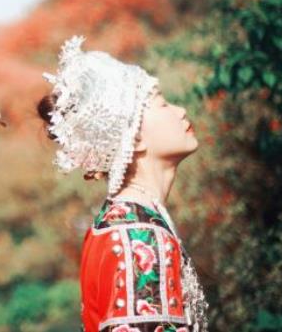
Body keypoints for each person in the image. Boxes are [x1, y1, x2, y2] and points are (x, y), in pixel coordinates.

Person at [36, 36, 209, 332]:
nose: (180, 111)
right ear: (134, 137)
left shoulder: (115, 224)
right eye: (163, 104)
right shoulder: (141, 236)